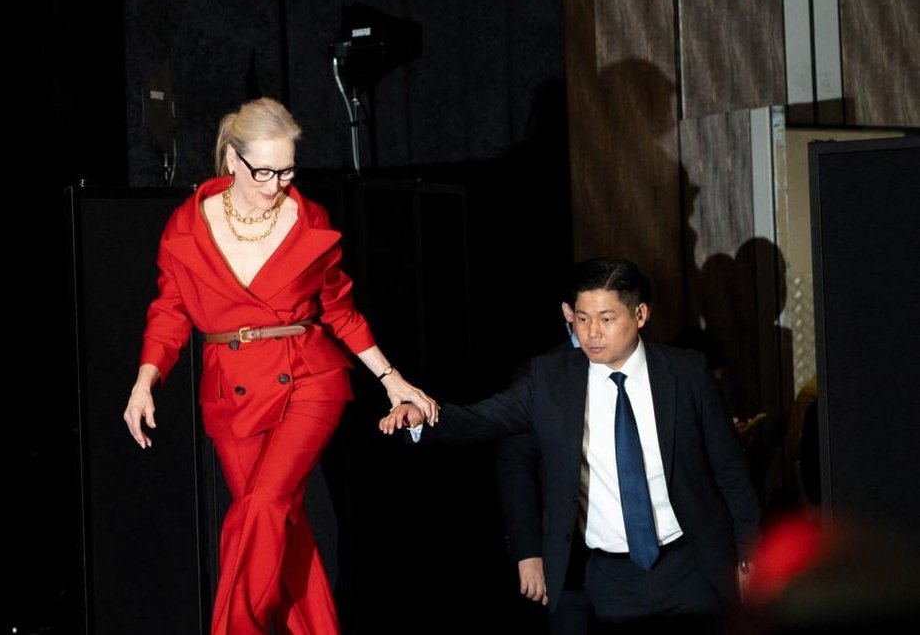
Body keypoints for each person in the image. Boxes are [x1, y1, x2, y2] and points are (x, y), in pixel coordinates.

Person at [122, 97, 437, 635]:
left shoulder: (308, 219)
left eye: (287, 171)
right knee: (282, 531)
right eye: (264, 171)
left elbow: (340, 310)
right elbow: (170, 312)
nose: (276, 185)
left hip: (307, 380)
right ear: (232, 159)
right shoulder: (186, 227)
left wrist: (391, 378)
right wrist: (145, 380)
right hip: (232, 390)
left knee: (265, 506)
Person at [382, 258, 760, 633]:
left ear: (640, 314)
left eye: (606, 319)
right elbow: (482, 418)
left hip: (691, 564)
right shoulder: (549, 379)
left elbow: (731, 472)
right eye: (582, 318)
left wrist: (750, 557)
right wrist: (421, 418)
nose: (592, 332)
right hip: (611, 578)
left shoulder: (687, 373)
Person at [496, 298, 594, 634]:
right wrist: (528, 552)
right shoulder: (540, 373)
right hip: (569, 559)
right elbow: (516, 466)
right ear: (569, 313)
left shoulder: (649, 367)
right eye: (587, 315)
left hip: (639, 563)